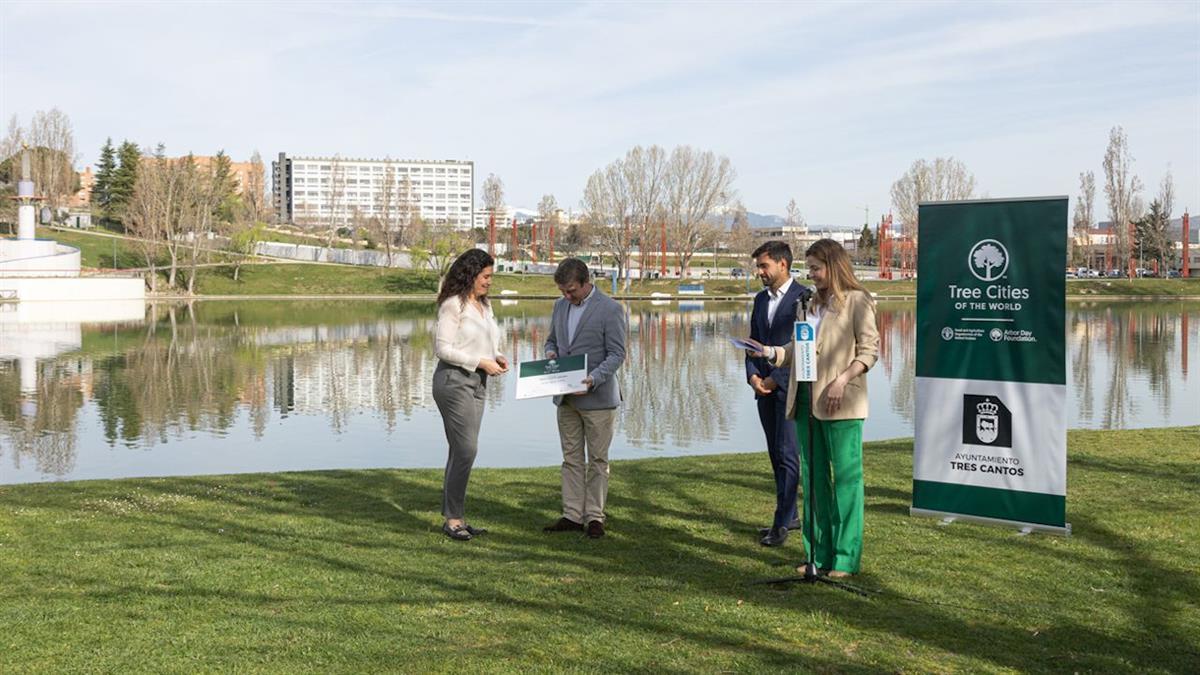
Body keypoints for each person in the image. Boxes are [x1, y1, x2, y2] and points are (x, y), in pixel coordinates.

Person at [748, 238, 878, 577]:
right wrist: (770, 353)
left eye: (816, 269)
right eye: (810, 268)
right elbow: (798, 346)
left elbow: (869, 352)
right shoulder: (808, 304)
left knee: (847, 481)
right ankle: (816, 556)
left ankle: (846, 558)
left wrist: (842, 379)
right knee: (815, 481)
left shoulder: (858, 301)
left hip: (842, 401)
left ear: (833, 266)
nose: (812, 275)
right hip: (805, 400)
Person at [542, 258, 628, 539]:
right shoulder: (559, 306)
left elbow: (617, 354)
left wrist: (593, 379)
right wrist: (552, 354)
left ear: (585, 282)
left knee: (598, 460)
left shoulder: (611, 309)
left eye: (571, 291)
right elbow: (551, 341)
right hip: (566, 399)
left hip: (599, 399)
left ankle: (594, 517)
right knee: (571, 459)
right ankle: (571, 515)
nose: (567, 297)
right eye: (563, 292)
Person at [432, 248, 509, 541]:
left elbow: (485, 343)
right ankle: (452, 519)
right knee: (466, 449)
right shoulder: (454, 305)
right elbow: (443, 349)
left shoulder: (484, 306)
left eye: (492, 276)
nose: (490, 281)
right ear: (471, 274)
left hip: (478, 382)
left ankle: (456, 517)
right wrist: (480, 362)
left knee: (461, 450)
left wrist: (497, 356)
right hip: (453, 381)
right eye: (486, 276)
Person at [746, 240, 812, 547]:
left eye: (764, 266)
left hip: (790, 389)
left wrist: (777, 378)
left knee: (788, 456)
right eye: (758, 266)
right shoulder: (760, 300)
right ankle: (792, 514)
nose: (759, 271)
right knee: (775, 453)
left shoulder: (804, 300)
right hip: (764, 390)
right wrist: (753, 376)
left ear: (782, 265)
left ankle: (781, 523)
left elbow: (805, 349)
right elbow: (753, 342)